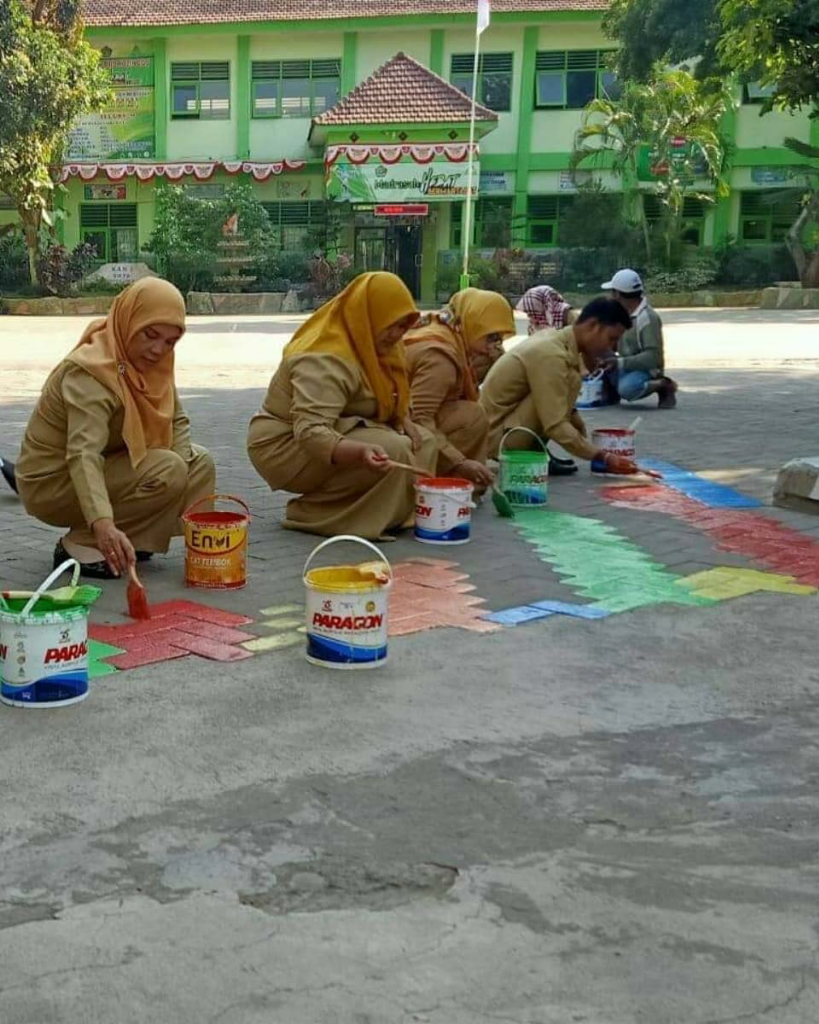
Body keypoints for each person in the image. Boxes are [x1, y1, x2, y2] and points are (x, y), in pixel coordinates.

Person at [13, 278, 216, 579]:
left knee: (199, 462)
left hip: (108, 463)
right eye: (150, 334)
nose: (158, 349)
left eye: (170, 342)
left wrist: (183, 474)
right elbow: (84, 454)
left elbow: (178, 420)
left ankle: (151, 539)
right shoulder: (92, 372)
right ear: (130, 321)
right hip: (53, 482)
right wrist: (102, 522)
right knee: (168, 469)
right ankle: (80, 543)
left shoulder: (149, 364)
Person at [247, 271, 437, 540]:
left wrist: (402, 417)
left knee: (424, 442)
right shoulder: (324, 357)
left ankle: (391, 515)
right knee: (393, 449)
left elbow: (392, 393)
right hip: (283, 444)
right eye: (392, 324)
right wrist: (359, 452)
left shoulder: (380, 345)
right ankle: (317, 513)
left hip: (337, 427)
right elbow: (311, 431)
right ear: (369, 316)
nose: (397, 334)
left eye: (403, 326)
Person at [479, 298, 640, 475]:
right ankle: (527, 454)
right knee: (561, 389)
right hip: (496, 441)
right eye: (611, 339)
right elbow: (554, 424)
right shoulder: (551, 355)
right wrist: (603, 456)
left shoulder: (557, 339)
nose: (612, 348)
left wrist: (575, 419)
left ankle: (537, 451)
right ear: (593, 326)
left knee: (566, 381)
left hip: (500, 427)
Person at [403, 288, 515, 489]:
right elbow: (419, 418)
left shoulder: (446, 327)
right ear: (473, 323)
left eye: (499, 338)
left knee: (471, 411)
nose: (496, 345)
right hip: (400, 427)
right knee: (472, 417)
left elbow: (458, 390)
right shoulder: (440, 357)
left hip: (401, 419)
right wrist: (459, 461)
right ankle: (442, 485)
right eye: (491, 337)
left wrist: (485, 365)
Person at [601, 268, 678, 409]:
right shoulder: (620, 313)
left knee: (627, 389)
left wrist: (620, 362)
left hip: (646, 370)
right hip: (626, 363)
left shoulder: (647, 318)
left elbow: (653, 357)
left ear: (618, 294)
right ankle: (611, 391)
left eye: (612, 292)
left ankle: (662, 385)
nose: (610, 296)